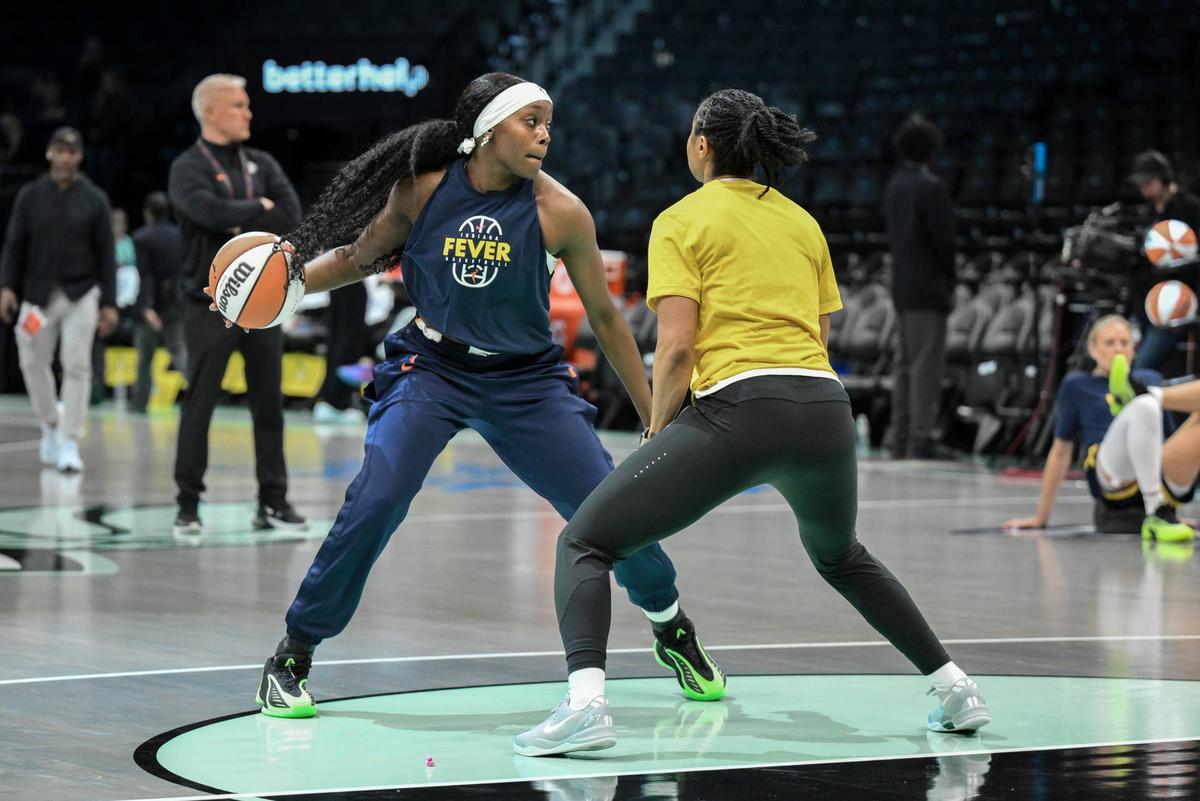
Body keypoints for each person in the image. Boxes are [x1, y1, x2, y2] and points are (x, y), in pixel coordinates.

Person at [515, 89, 990, 758]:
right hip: (825, 410)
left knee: (586, 542)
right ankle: (956, 687)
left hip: (739, 410)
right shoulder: (802, 222)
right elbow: (819, 334)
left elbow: (676, 347)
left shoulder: (682, 219)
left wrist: (657, 430)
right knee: (841, 554)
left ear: (702, 144)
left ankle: (586, 705)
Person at [250, 72, 726, 718]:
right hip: (431, 367)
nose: (544, 135)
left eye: (548, 123)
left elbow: (610, 322)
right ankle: (293, 654)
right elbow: (362, 257)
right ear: (485, 130)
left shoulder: (560, 211)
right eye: (530, 121)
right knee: (379, 495)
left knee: (608, 509)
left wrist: (655, 418)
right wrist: (281, 286)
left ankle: (671, 625)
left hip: (526, 381)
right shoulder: (421, 189)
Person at [168, 74, 307, 536]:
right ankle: (188, 502)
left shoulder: (261, 162)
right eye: (238, 106)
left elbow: (289, 214)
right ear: (209, 111)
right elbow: (205, 212)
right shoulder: (187, 166)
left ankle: (274, 499)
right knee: (199, 405)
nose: (248, 113)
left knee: (269, 405)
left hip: (263, 307)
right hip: (207, 305)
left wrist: (243, 216)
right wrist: (257, 208)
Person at [1003, 315, 1197, 541]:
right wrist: (1040, 517)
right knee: (1144, 404)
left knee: (1149, 403)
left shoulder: (1148, 377)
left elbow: (1168, 440)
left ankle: (1163, 512)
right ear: (1093, 349)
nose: (1118, 349)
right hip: (1113, 472)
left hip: (1158, 470)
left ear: (1134, 349)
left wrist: (1178, 514)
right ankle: (1156, 511)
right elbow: (1060, 452)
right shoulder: (1077, 384)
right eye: (1110, 343)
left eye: (1125, 343)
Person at [0, 126, 118, 473]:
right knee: (31, 361)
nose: (65, 157)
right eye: (60, 150)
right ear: (50, 153)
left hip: (81, 294)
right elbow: (14, 244)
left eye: (72, 152)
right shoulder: (31, 195)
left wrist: (109, 303)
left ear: (79, 156)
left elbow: (107, 254)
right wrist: (7, 286)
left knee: (76, 363)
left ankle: (69, 440)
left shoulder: (94, 198)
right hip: (37, 295)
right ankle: (50, 421)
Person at [883, 113, 956, 459]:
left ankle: (899, 438)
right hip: (928, 288)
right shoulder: (931, 187)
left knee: (904, 364)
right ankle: (921, 439)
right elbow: (944, 243)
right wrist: (951, 279)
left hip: (901, 285)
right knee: (925, 365)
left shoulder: (895, 185)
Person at [1128, 150, 1200, 374]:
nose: (1143, 189)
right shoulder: (1149, 211)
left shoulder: (1189, 207)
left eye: (1148, 182)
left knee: (1142, 367)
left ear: (1164, 178)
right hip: (1146, 299)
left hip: (1175, 299)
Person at [130, 191, 185, 413]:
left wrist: (145, 307)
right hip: (177, 302)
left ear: (147, 213)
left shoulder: (141, 237)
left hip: (152, 304)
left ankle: (139, 403)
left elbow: (145, 276)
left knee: (145, 357)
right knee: (180, 352)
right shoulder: (179, 235)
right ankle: (202, 396)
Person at [311, 283, 369, 424]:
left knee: (338, 336)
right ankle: (338, 401)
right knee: (347, 337)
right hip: (350, 275)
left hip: (341, 279)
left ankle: (333, 397)